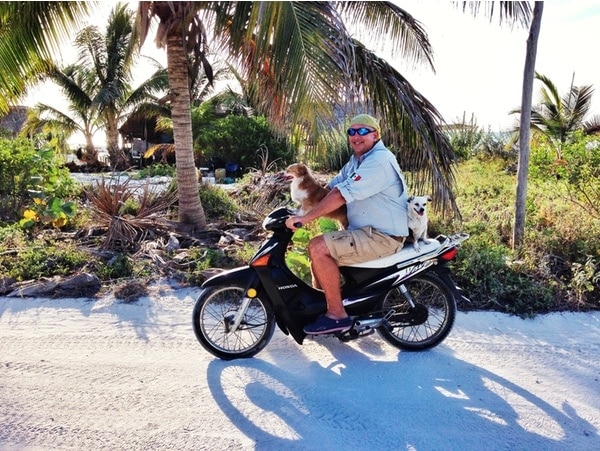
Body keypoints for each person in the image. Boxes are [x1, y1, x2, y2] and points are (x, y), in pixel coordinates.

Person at [285, 114, 409, 335]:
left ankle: (337, 316)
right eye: (351, 132)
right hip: (364, 232)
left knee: (318, 247)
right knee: (318, 254)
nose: (356, 136)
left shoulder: (378, 161)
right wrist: (304, 201)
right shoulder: (357, 160)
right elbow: (332, 188)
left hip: (380, 237)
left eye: (362, 131)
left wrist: (305, 218)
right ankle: (325, 307)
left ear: (375, 134)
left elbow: (340, 196)